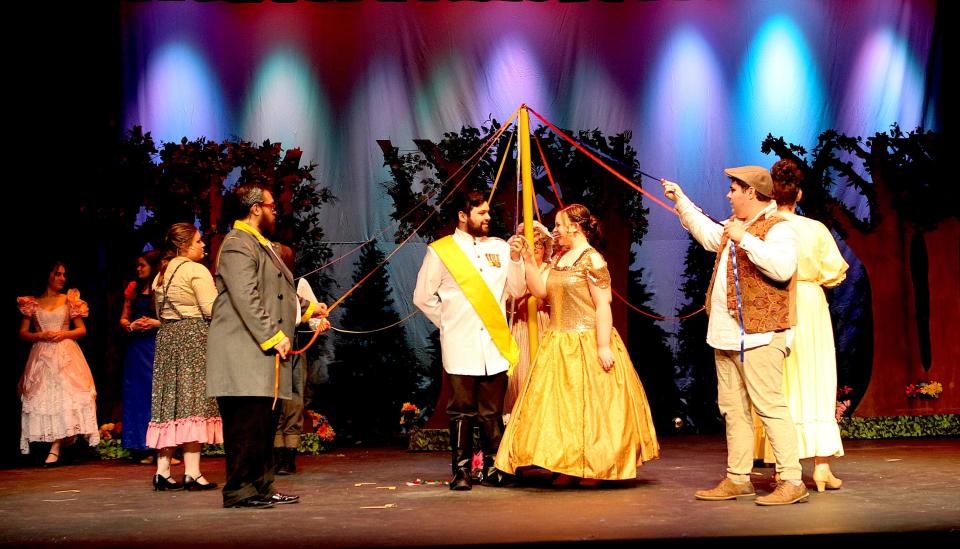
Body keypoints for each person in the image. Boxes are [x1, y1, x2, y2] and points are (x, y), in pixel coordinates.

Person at [662, 167, 807, 505]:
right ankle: (738, 478)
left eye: (733, 190)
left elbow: (782, 267)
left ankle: (791, 479)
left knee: (770, 406)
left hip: (761, 335)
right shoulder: (734, 229)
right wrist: (682, 201)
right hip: (726, 335)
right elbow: (708, 233)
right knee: (733, 409)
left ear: (751, 193)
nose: (728, 195)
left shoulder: (779, 228)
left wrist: (745, 238)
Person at [494, 204, 660, 486]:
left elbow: (603, 305)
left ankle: (593, 467)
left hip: (587, 339)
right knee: (562, 408)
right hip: (558, 341)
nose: (555, 230)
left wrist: (603, 345)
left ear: (574, 226)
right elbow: (540, 292)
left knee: (591, 407)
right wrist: (528, 261)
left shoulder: (592, 259)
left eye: (558, 225)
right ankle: (567, 465)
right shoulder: (560, 258)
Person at [207, 183, 330, 509]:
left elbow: (276, 293)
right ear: (255, 208)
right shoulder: (237, 244)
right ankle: (239, 491)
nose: (276, 211)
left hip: (261, 356)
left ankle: (261, 486)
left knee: (263, 426)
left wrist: (306, 309)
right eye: (272, 206)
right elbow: (246, 297)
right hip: (243, 352)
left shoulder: (259, 245)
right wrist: (273, 336)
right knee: (245, 427)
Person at [413, 191, 526, 490]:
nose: (488, 217)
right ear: (463, 216)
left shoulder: (501, 248)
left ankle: (494, 468)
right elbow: (422, 297)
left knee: (491, 411)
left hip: (494, 342)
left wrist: (515, 259)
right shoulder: (440, 251)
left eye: (488, 212)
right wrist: (448, 322)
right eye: (481, 213)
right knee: (461, 409)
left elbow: (516, 290)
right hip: (460, 344)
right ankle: (461, 471)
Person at [754, 159, 848, 492]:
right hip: (809, 302)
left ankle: (784, 468)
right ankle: (821, 467)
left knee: (782, 383)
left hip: (777, 302)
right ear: (799, 194)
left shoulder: (762, 227)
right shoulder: (814, 229)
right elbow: (834, 272)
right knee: (816, 377)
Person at [147, 223, 223, 492]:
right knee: (193, 400)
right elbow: (213, 310)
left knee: (170, 401)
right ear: (184, 245)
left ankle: (163, 471)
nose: (203, 245)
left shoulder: (161, 275)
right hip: (193, 338)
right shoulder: (195, 270)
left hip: (168, 338)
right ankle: (192, 471)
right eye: (199, 241)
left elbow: (161, 315)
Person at [17, 261, 99, 466]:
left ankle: (56, 446)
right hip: (42, 353)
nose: (62, 278)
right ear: (48, 276)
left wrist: (63, 333)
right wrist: (40, 334)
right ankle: (53, 442)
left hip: (65, 352)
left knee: (66, 395)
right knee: (46, 396)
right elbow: (23, 333)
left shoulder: (70, 300)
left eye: (64, 274)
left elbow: (82, 329)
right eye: (58, 274)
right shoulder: (32, 302)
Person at [503, 221, 553, 421]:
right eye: (530, 246)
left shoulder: (551, 268)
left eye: (539, 245)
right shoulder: (514, 269)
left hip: (545, 326)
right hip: (520, 326)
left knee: (546, 377)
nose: (535, 250)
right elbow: (508, 296)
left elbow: (545, 292)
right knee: (519, 377)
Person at [120, 250, 163, 463]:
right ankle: (142, 446)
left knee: (155, 394)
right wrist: (130, 325)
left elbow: (173, 319)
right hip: (137, 348)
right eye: (137, 265)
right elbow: (123, 318)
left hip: (155, 346)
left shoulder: (161, 288)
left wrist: (155, 323)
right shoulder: (133, 289)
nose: (138, 269)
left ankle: (161, 448)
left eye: (142, 265)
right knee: (138, 395)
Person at [273, 244, 305, 476]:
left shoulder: (300, 284)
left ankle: (288, 458)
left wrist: (317, 320)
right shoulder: (266, 284)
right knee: (276, 403)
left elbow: (310, 312)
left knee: (293, 401)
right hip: (271, 346)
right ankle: (275, 456)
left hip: (294, 346)